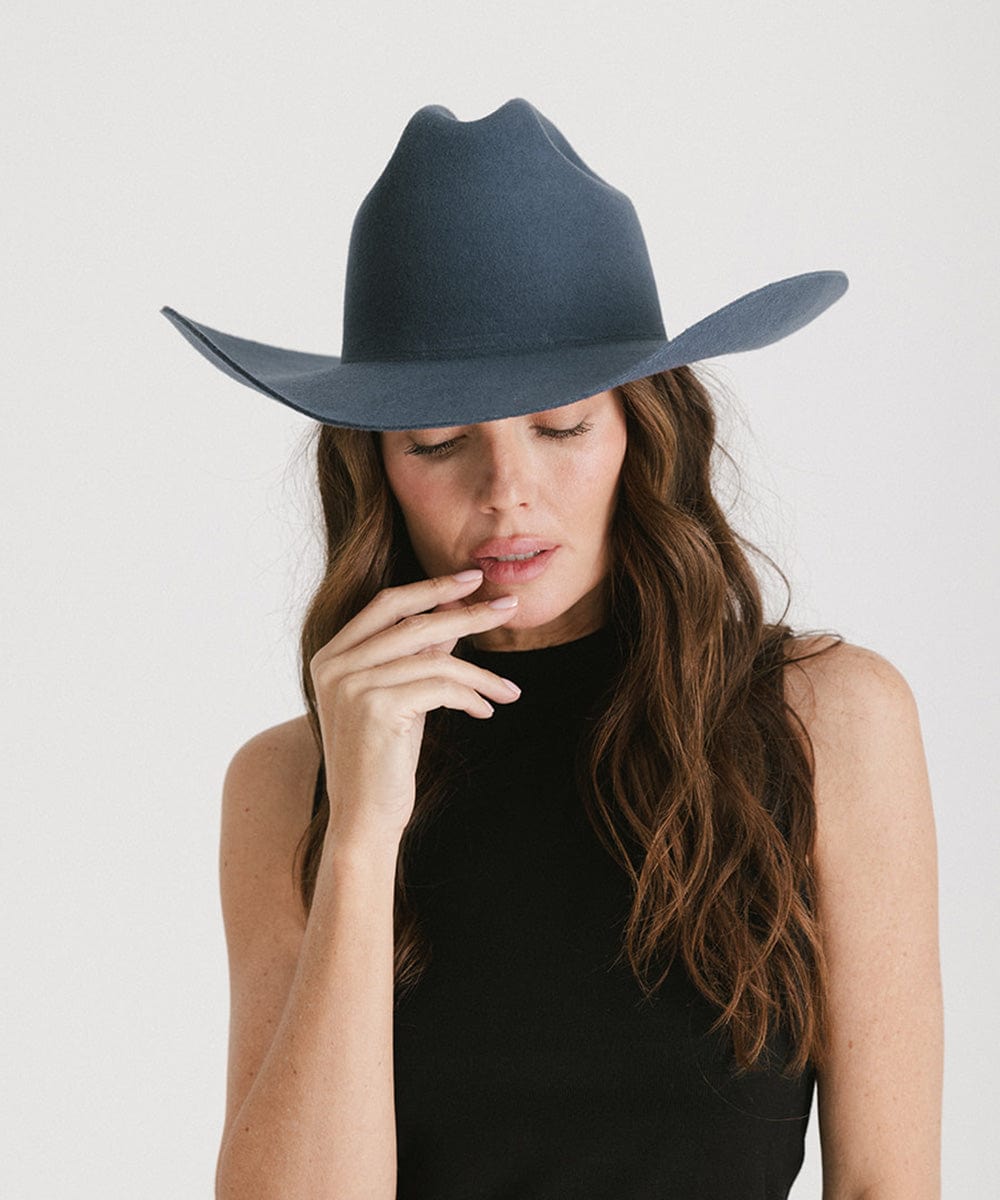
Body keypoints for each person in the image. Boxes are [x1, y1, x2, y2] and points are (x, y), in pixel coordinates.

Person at [162, 98, 943, 1199]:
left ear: (640, 427)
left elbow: (886, 1187)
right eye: (440, 441)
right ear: (375, 469)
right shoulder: (289, 782)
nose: (507, 491)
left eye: (561, 426)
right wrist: (361, 832)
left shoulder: (829, 722)